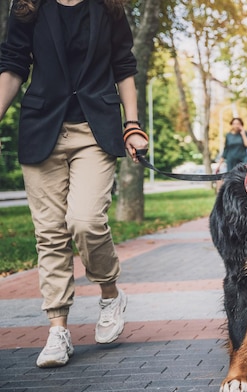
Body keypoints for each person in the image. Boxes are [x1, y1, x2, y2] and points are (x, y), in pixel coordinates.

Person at [0, 0, 148, 367]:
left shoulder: (110, 8)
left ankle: (110, 294)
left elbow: (124, 66)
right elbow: (14, 65)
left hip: (95, 131)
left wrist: (132, 124)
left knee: (85, 221)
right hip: (41, 127)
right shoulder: (28, 7)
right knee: (49, 233)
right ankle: (58, 330)